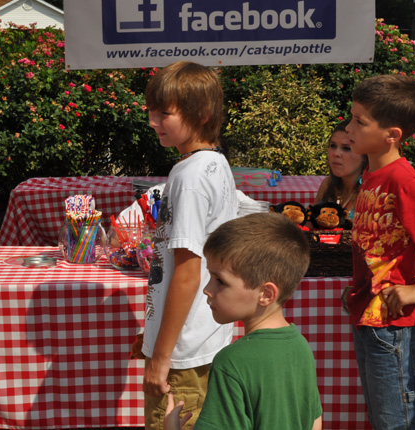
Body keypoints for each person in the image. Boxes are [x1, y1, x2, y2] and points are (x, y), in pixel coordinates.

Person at [141, 61, 238, 428]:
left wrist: (161, 356)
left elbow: (186, 272)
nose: (153, 120)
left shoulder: (190, 176)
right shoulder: (213, 164)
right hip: (200, 337)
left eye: (165, 112)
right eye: (151, 110)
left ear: (203, 114)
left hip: (181, 352)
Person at [165, 213, 323, 430]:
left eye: (220, 281)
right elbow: (315, 422)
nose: (207, 289)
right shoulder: (301, 347)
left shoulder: (231, 362)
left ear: (266, 294)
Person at [344, 74, 415, 430]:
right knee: (381, 419)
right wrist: (357, 286)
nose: (349, 127)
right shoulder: (371, 177)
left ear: (393, 135)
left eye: (360, 121)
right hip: (370, 316)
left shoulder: (405, 181)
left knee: (396, 421)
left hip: (393, 324)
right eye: (352, 117)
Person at [314, 119, 368, 219]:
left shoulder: (371, 192)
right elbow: (310, 227)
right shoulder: (327, 184)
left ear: (364, 156)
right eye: (333, 146)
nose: (336, 153)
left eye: (346, 148)